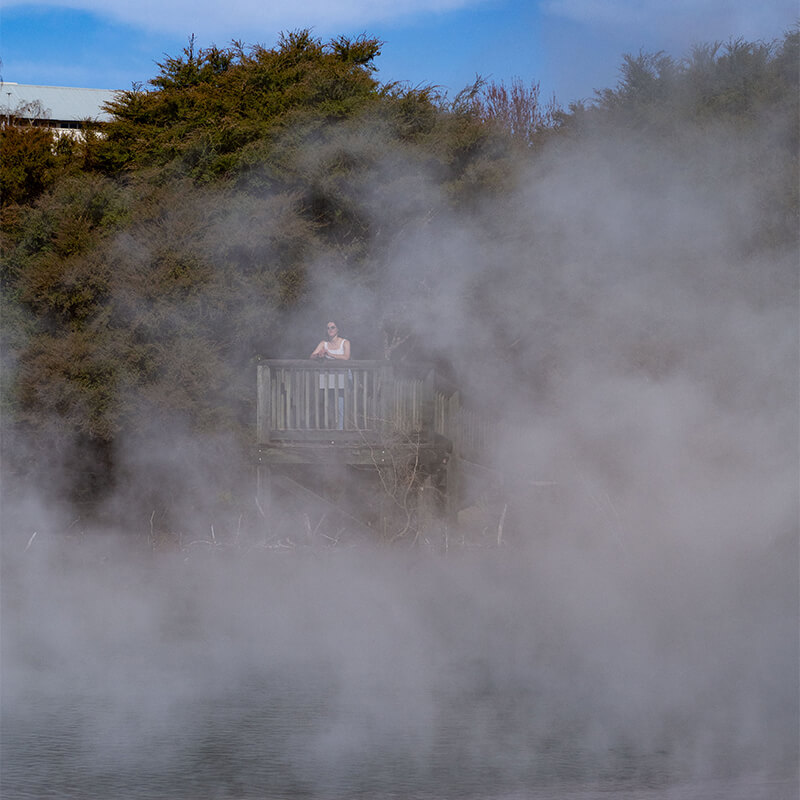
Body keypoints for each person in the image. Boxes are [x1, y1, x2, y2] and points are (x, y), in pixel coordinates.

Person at [310, 321, 350, 428]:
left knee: (341, 406)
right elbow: (312, 356)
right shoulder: (324, 343)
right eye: (328, 328)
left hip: (342, 377)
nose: (330, 330)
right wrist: (319, 355)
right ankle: (331, 429)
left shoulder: (345, 342)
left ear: (338, 329)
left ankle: (340, 431)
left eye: (333, 327)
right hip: (329, 377)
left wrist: (329, 354)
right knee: (329, 404)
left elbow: (346, 357)